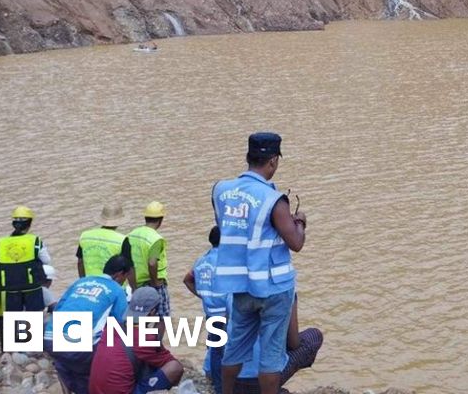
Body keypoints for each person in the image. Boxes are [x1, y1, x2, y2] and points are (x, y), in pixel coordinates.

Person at [213, 132, 307, 394]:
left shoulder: (221, 190)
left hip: (241, 284)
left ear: (248, 157)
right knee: (272, 355)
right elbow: (296, 243)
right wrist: (299, 222)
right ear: (273, 161)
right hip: (274, 287)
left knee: (234, 348)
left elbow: (229, 228)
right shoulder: (274, 200)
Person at [44, 256, 132, 394]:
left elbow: (58, 309)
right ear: (120, 274)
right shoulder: (116, 290)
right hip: (79, 347)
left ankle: (68, 386)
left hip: (49, 338)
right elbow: (120, 324)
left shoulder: (81, 282)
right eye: (126, 276)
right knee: (94, 364)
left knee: (64, 361)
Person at [88, 286, 183, 394]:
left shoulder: (109, 328)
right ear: (152, 312)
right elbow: (172, 364)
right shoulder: (146, 339)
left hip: (95, 391)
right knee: (175, 367)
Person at [184, 226, 227, 393]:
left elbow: (187, 279)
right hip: (227, 312)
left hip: (211, 311)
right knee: (229, 350)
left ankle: (216, 384)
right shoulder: (226, 261)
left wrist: (202, 295)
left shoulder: (201, 261)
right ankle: (224, 386)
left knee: (216, 349)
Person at [0, 206, 51, 312]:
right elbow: (46, 260)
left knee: (14, 319)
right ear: (30, 223)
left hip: (11, 287)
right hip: (32, 287)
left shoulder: (2, 242)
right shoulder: (35, 241)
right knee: (34, 318)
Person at [77, 203, 135, 287]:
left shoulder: (85, 236)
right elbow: (129, 270)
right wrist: (134, 289)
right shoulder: (122, 240)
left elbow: (80, 262)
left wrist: (83, 282)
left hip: (89, 285)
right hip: (113, 287)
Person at [128, 202, 169, 317]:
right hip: (153, 283)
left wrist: (133, 287)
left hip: (136, 284)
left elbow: (127, 261)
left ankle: (142, 335)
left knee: (140, 316)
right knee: (162, 316)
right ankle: (155, 336)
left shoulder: (131, 235)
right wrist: (155, 283)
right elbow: (152, 263)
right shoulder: (155, 238)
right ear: (161, 220)